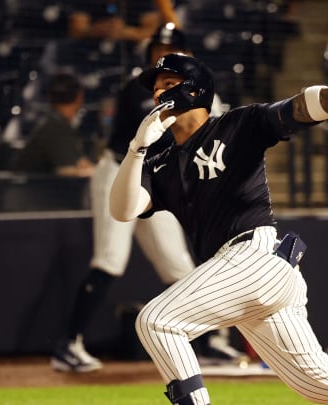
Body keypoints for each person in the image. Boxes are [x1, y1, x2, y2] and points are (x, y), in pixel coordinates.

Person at [108, 51, 328, 405]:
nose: (157, 94)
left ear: (194, 90)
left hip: (254, 255)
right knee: (315, 381)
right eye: (155, 88)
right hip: (245, 274)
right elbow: (123, 210)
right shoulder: (159, 160)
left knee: (157, 321)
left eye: (168, 84)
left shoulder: (237, 124)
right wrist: (136, 148)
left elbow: (299, 108)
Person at [50, 24, 235, 374]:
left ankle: (207, 342)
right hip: (120, 175)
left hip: (157, 181)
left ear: (187, 53)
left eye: (171, 48)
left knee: (179, 267)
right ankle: (68, 345)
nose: (162, 54)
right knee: (111, 259)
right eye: (158, 48)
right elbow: (173, 131)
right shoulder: (141, 90)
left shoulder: (197, 89)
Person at [14, 73, 95, 177]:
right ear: (79, 97)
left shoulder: (55, 123)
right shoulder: (54, 127)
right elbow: (73, 170)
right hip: (32, 191)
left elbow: (80, 162)